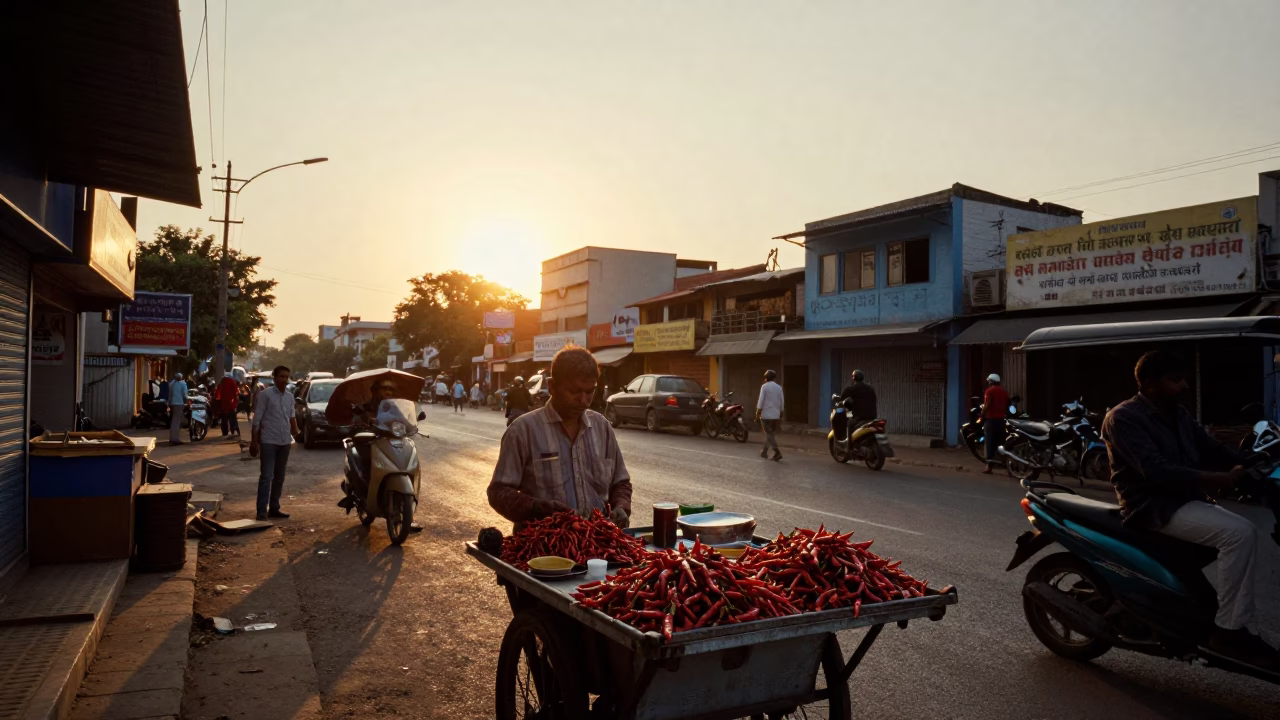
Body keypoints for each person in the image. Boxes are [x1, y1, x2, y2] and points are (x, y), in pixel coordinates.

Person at [1101, 350, 1276, 667]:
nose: (1183, 385)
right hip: (1152, 506)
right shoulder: (1124, 417)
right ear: (1151, 384)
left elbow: (1211, 448)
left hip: (1185, 499)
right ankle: (1229, 631)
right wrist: (1216, 478)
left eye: (1183, 378)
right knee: (1240, 534)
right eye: (1175, 379)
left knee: (1241, 534)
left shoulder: (1178, 414)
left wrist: (1248, 463)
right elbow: (1154, 470)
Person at [488, 346, 632, 531]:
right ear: (552, 386)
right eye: (574, 391)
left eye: (590, 392)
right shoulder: (522, 431)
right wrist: (535, 507)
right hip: (542, 549)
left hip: (598, 544)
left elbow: (620, 482)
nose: (583, 400)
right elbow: (498, 492)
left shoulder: (602, 427)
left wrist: (621, 506)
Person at [250, 365, 300, 521]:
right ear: (274, 377)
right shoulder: (265, 395)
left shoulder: (290, 397)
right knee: (266, 476)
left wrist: (297, 435)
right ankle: (261, 511)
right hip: (268, 441)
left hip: (285, 441)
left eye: (286, 377)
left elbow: (292, 418)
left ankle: (274, 508)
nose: (284, 380)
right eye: (281, 376)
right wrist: (254, 441)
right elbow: (257, 419)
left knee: (279, 477)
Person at [981, 373, 1009, 475]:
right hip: (1001, 420)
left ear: (990, 382)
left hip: (991, 420)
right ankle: (1005, 464)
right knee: (1001, 443)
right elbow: (1008, 404)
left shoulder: (989, 391)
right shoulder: (1004, 391)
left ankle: (989, 466)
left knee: (989, 443)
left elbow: (987, 404)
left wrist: (982, 413)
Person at [756, 369, 784, 461]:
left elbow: (761, 401)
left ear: (766, 378)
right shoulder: (779, 388)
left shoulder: (764, 387)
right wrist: (781, 412)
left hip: (766, 415)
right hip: (775, 415)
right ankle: (764, 452)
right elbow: (781, 401)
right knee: (770, 434)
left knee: (769, 434)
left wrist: (757, 413)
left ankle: (777, 452)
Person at [167, 372, 188, 445]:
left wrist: (169, 404)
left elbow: (169, 395)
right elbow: (185, 395)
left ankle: (173, 438)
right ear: (181, 378)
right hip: (179, 404)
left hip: (172, 404)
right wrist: (187, 401)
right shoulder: (183, 384)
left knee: (174, 421)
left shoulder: (171, 384)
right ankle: (175, 439)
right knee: (177, 422)